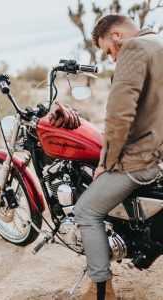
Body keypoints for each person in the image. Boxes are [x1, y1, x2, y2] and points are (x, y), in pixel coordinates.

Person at [74, 14, 163, 300]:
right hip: (157, 153)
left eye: (109, 51)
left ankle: (102, 289)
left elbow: (119, 114)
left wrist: (105, 162)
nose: (113, 59)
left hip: (140, 160)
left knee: (85, 210)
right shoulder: (156, 45)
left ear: (116, 35)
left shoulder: (134, 49)